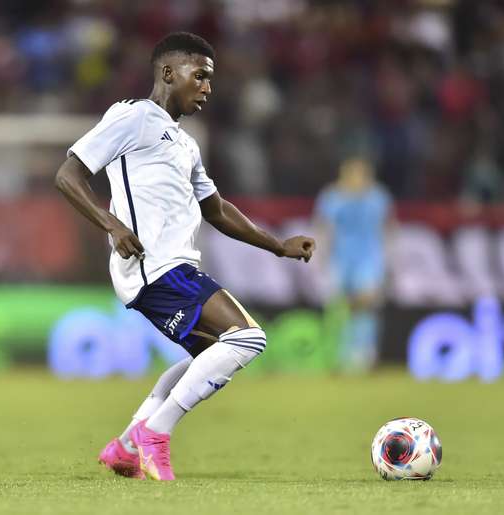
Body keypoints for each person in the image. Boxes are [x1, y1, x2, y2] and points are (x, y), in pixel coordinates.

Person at [55, 32, 315, 481]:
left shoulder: (185, 143)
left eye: (210, 80)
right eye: (201, 76)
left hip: (174, 266)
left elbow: (215, 209)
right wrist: (112, 226)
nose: (208, 88)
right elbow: (68, 174)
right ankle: (156, 434)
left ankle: (127, 443)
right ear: (168, 72)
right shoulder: (134, 118)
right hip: (153, 265)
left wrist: (278, 245)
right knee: (249, 338)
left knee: (212, 353)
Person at [314, 156, 393, 372]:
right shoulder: (331, 198)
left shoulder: (378, 197)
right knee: (338, 306)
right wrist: (320, 256)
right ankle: (338, 354)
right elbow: (324, 228)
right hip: (340, 258)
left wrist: (388, 261)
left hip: (369, 257)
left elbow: (387, 228)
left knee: (365, 304)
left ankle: (364, 354)